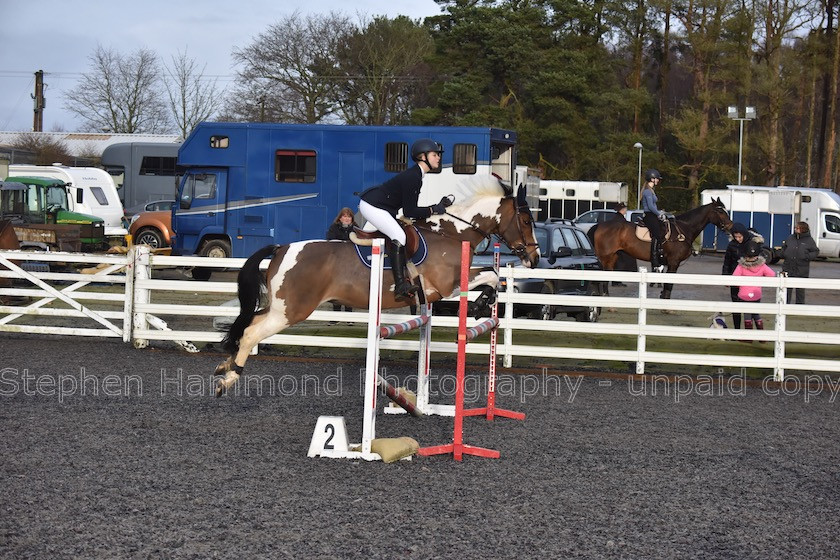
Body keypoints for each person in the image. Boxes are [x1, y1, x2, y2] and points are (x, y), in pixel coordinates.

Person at [358, 138, 452, 300]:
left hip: (381, 207)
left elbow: (410, 209)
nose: (438, 158)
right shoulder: (413, 177)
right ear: (423, 156)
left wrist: (434, 208)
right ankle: (400, 285)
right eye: (435, 154)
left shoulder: (416, 175)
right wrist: (433, 209)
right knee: (399, 236)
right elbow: (410, 211)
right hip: (373, 206)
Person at [732, 239, 776, 339]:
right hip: (756, 294)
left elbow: (734, 278)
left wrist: (739, 284)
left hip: (744, 295)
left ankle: (749, 338)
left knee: (747, 315)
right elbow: (772, 275)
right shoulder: (762, 265)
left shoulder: (741, 266)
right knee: (756, 314)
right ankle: (761, 337)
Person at [721, 222, 753, 329]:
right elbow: (727, 262)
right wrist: (726, 277)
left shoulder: (751, 244)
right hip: (734, 278)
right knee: (736, 305)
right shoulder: (731, 245)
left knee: (748, 306)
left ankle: (749, 330)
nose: (738, 239)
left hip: (748, 280)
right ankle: (737, 329)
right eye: (736, 236)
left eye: (740, 236)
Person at [781, 221, 819, 304]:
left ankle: (799, 306)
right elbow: (784, 248)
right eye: (795, 228)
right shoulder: (790, 238)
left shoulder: (809, 240)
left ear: (803, 229)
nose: (795, 229)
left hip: (802, 269)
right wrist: (785, 253)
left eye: (797, 228)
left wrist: (806, 256)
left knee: (800, 291)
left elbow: (815, 252)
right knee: (787, 289)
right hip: (788, 267)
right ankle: (785, 305)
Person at [326, 208, 355, 315]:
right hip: (337, 263)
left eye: (349, 216)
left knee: (350, 288)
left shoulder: (356, 229)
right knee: (336, 287)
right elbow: (330, 241)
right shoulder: (334, 228)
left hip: (352, 263)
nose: (347, 219)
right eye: (344, 216)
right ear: (340, 218)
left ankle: (349, 316)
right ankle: (336, 316)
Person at [640, 169, 666, 269]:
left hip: (653, 214)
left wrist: (660, 212)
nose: (658, 180)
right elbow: (650, 207)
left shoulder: (651, 190)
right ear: (652, 179)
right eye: (657, 179)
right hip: (649, 215)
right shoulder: (647, 191)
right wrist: (659, 214)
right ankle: (655, 262)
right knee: (657, 234)